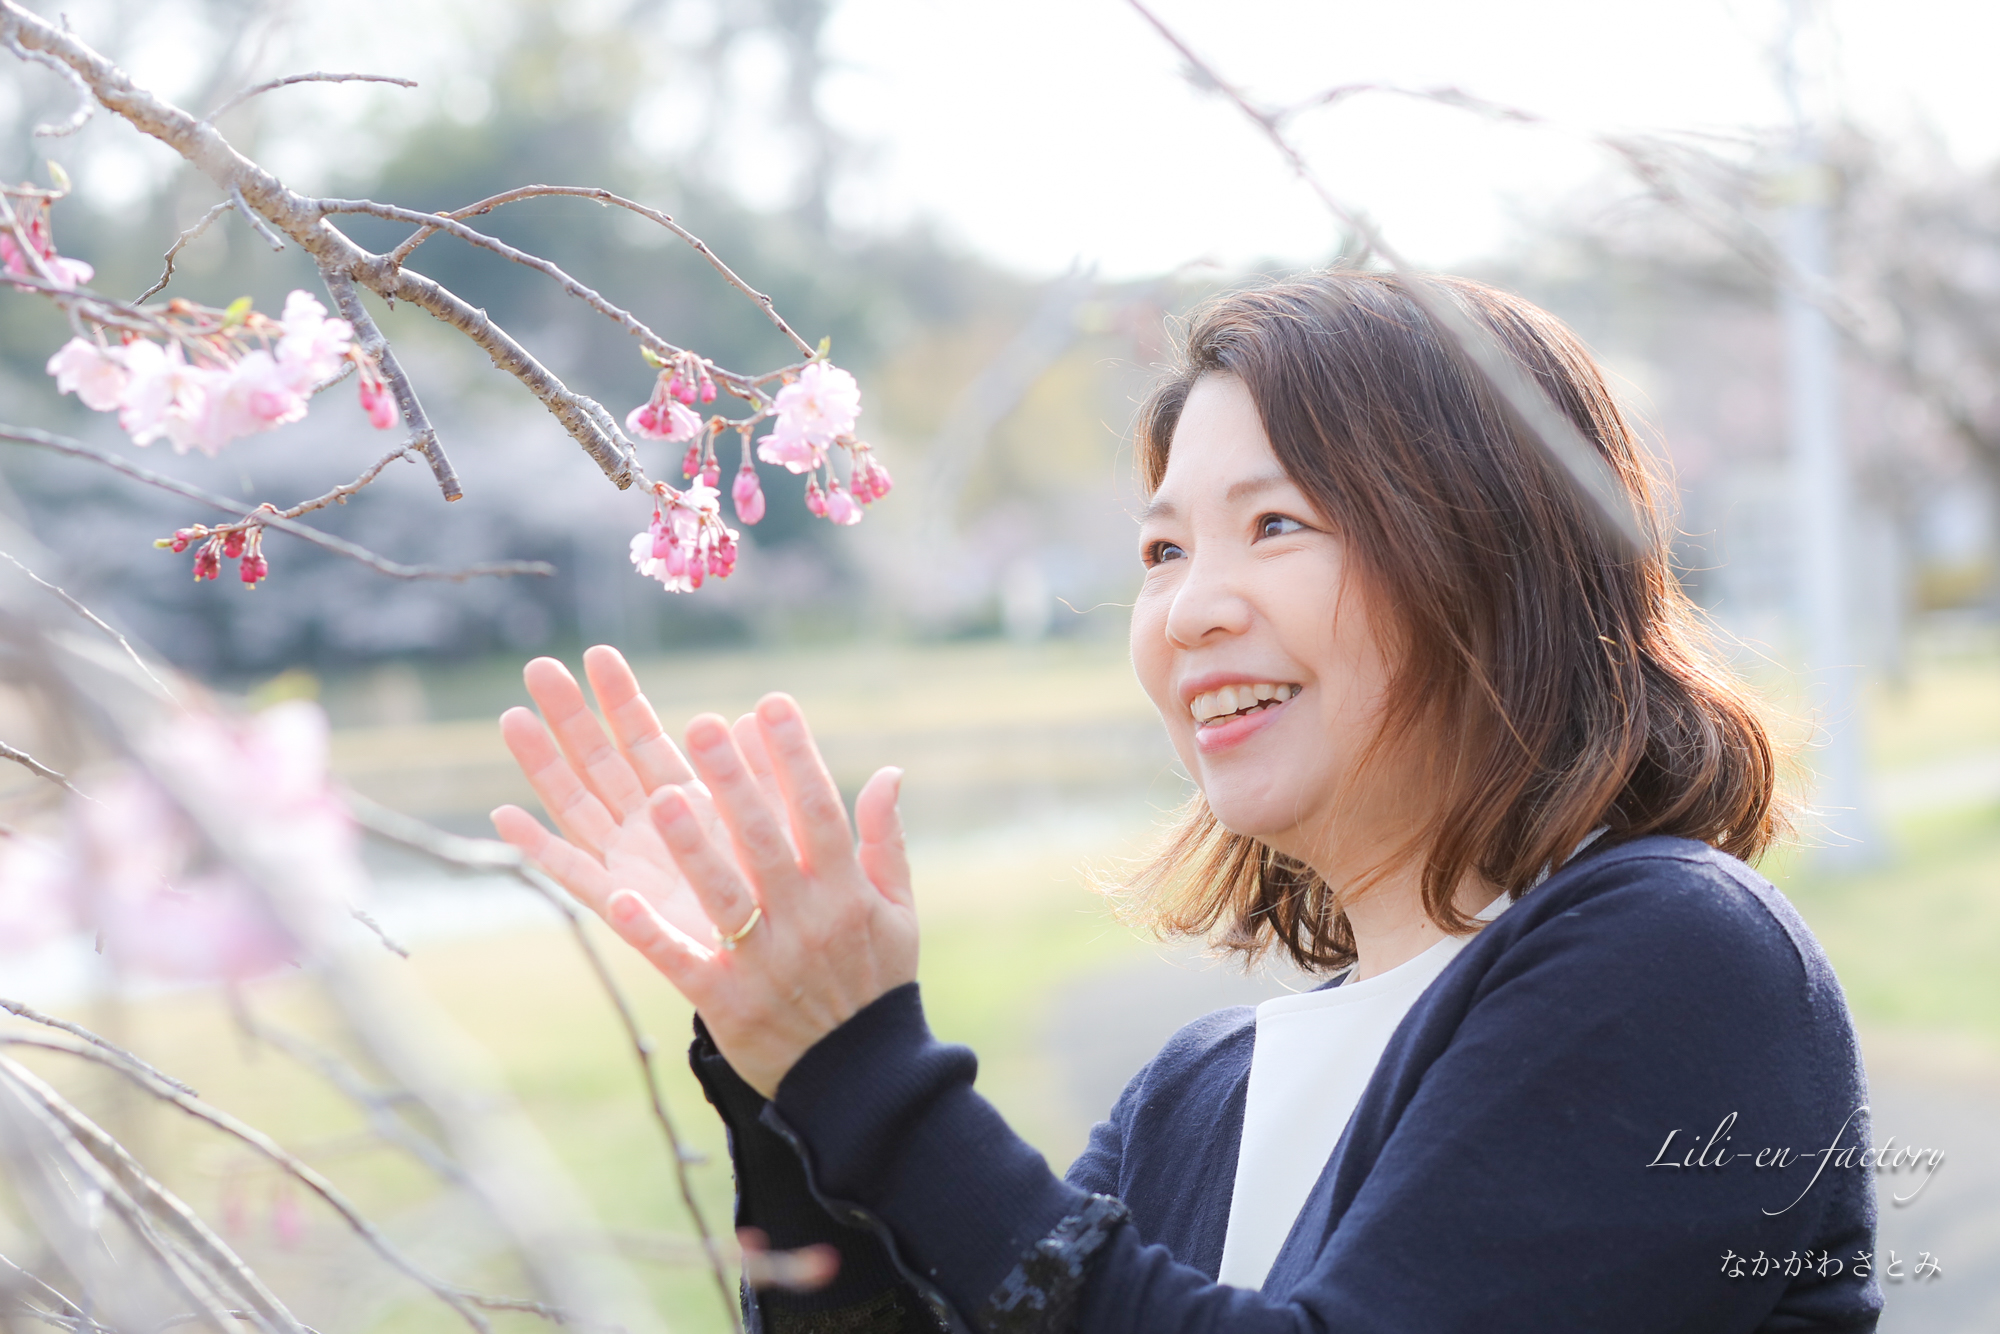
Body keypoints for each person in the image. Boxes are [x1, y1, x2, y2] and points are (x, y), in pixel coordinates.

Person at [493, 271, 1882, 1333]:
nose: (1189, 608)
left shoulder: (1681, 955)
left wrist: (879, 1079)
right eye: (1163, 547)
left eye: (1275, 524)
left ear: (1494, 555)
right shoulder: (1194, 1098)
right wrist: (789, 1078)